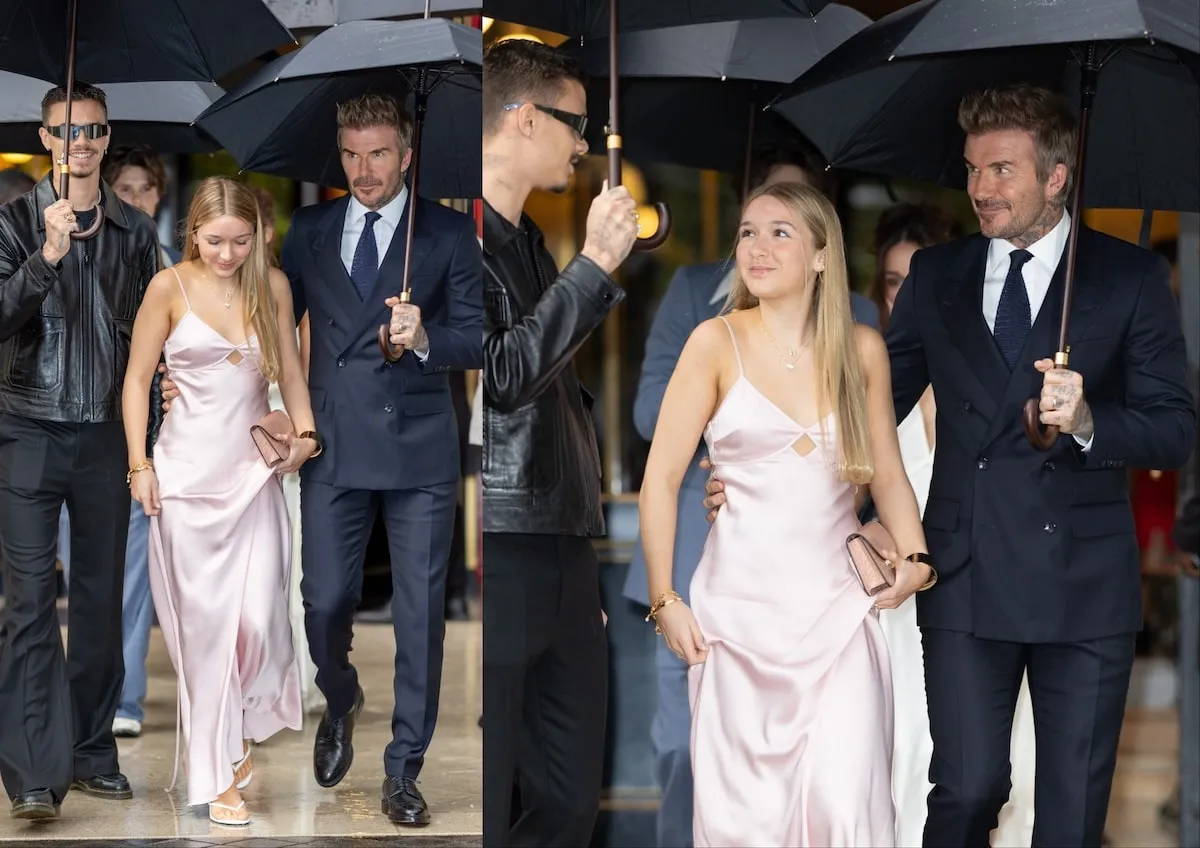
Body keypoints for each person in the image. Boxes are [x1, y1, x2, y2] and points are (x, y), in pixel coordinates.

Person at [703, 83, 1197, 846]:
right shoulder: (938, 274)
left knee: (1069, 819)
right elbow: (869, 404)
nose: (979, 189)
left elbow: (1173, 430)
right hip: (963, 573)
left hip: (1085, 585)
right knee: (966, 792)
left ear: (1056, 177)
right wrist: (770, 472)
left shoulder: (1127, 279)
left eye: (1001, 170)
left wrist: (1092, 419)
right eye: (972, 169)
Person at [190, 92, 480, 826]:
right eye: (351, 154)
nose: (364, 169)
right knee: (322, 604)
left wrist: (422, 338)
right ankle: (341, 692)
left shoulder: (447, 234)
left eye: (379, 154)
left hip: (418, 448)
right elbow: (276, 325)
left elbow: (477, 338)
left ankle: (404, 769)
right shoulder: (312, 229)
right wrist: (207, 381)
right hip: (330, 441)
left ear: (407, 155)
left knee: (420, 619)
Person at [640, 181, 933, 847]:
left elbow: (886, 471)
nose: (758, 247)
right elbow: (660, 478)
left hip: (837, 620)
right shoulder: (712, 343)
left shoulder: (862, 349)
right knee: (746, 827)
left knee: (847, 809)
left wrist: (915, 559)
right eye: (747, 231)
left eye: (780, 232)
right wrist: (665, 600)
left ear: (823, 255)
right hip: (734, 628)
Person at [480, 38, 639, 847]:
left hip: (562, 546)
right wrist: (597, 263)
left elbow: (556, 396)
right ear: (525, 117)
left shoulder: (531, 244)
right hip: (499, 540)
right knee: (492, 791)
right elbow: (503, 377)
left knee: (570, 798)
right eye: (575, 125)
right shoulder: (452, 238)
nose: (584, 143)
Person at [122, 176, 314, 825]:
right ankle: (217, 773)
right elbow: (137, 380)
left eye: (240, 241)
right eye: (214, 241)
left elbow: (290, 371)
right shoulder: (167, 288)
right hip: (183, 480)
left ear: (257, 235)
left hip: (254, 477)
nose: (227, 254)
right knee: (205, 638)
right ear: (192, 233)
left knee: (260, 620)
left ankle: (239, 730)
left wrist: (307, 437)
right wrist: (139, 464)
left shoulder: (274, 287)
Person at [0, 82, 162, 818]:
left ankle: (94, 750)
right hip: (26, 430)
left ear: (106, 136)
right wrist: (45, 258)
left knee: (99, 603)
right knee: (30, 603)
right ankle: (34, 772)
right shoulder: (12, 222)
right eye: (67, 130)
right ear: (45, 138)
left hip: (104, 433)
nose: (82, 142)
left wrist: (162, 409)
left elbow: (152, 335)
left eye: (94, 130)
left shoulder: (135, 231)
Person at [869, 201, 1037, 847]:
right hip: (897, 609)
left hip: (991, 596)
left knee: (1003, 769)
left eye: (921, 277)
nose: (908, 293)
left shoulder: (994, 376)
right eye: (892, 281)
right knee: (906, 756)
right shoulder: (866, 377)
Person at [55, 143, 179, 741]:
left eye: (143, 189)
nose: (133, 199)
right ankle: (84, 696)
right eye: (123, 189)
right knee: (81, 571)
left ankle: (124, 696)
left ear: (158, 196)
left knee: (130, 572)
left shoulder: (183, 270)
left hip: (140, 439)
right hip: (68, 430)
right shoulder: (68, 248)